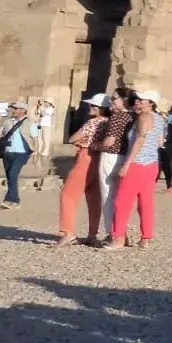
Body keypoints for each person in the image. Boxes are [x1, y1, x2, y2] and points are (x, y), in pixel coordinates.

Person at [103, 89, 167, 249]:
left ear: (151, 103)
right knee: (146, 203)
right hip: (152, 164)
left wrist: (126, 164)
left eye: (142, 99)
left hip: (137, 164)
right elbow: (159, 142)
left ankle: (118, 238)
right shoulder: (160, 119)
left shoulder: (144, 117)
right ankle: (145, 238)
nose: (137, 101)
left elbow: (139, 141)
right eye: (137, 98)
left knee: (122, 202)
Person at [55, 94, 109, 246]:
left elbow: (72, 139)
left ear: (100, 109)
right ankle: (92, 234)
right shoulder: (108, 122)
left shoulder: (93, 122)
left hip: (86, 156)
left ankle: (68, 233)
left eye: (93, 106)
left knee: (68, 193)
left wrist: (81, 141)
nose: (90, 108)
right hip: (99, 158)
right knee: (94, 197)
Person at [95, 90, 135, 234]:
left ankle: (112, 233)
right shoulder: (133, 116)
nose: (111, 101)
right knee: (121, 198)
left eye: (114, 98)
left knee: (108, 196)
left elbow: (109, 141)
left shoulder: (117, 117)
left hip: (111, 156)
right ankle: (121, 230)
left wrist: (96, 146)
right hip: (125, 157)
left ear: (123, 99)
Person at [0, 100, 37, 209]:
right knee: (10, 177)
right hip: (8, 152)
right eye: (13, 108)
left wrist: (36, 153)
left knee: (12, 174)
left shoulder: (30, 123)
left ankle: (9, 200)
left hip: (22, 153)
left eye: (16, 108)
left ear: (23, 110)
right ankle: (15, 201)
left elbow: (35, 139)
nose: (13, 110)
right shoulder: (8, 122)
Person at [31, 98, 56, 192]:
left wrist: (41, 107)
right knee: (39, 139)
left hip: (47, 125)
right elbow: (38, 113)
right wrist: (38, 107)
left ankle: (44, 152)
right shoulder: (43, 108)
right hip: (41, 124)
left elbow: (46, 113)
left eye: (46, 102)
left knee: (46, 139)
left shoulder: (50, 109)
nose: (45, 103)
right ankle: (39, 150)